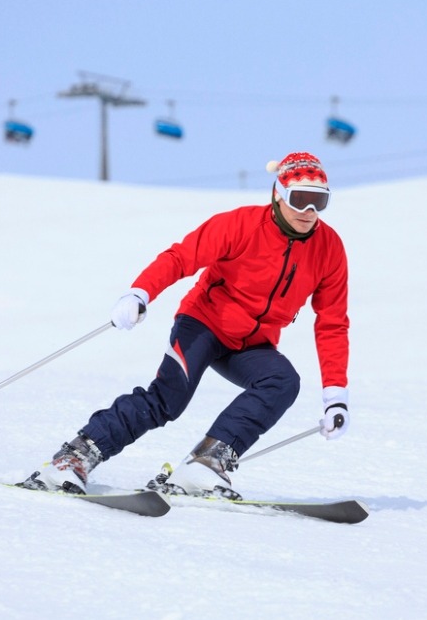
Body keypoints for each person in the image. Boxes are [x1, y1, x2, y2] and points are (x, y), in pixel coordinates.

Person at [21, 151, 350, 499]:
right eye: (300, 200)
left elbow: (332, 322)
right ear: (278, 195)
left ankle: (206, 463)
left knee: (282, 382)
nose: (309, 212)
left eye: (319, 202)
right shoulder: (240, 225)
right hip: (204, 323)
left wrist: (335, 397)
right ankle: (73, 458)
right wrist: (139, 293)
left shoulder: (329, 249)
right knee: (168, 400)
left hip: (253, 345)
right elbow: (181, 257)